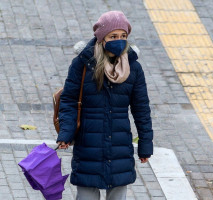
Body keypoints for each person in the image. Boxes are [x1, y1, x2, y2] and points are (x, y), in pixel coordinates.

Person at [56, 10, 153, 200]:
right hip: (88, 147)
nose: (119, 40)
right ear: (102, 38)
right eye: (113, 36)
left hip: (120, 148)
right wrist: (66, 133)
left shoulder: (133, 68)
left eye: (123, 36)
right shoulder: (82, 65)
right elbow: (68, 100)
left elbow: (141, 109)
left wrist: (145, 145)